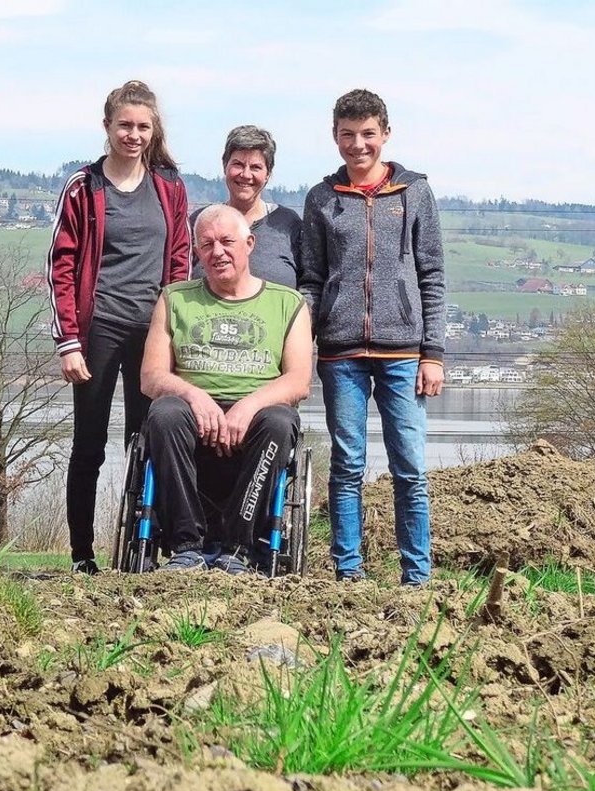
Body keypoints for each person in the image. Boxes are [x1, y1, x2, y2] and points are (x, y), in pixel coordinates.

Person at [298, 88, 446, 587]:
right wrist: (303, 340)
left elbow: (432, 276)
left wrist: (434, 354)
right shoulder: (321, 198)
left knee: (409, 467)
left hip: (405, 352)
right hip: (340, 353)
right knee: (348, 466)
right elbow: (311, 280)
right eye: (347, 135)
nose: (357, 144)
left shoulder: (416, 193)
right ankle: (348, 571)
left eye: (367, 134)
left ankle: (417, 575)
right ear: (334, 136)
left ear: (385, 134)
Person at [46, 80, 191, 575]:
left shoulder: (169, 186)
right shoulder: (84, 187)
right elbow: (61, 266)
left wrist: (173, 330)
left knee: (147, 439)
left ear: (154, 131)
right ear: (107, 127)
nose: (133, 135)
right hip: (99, 329)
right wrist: (68, 341)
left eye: (142, 127)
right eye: (124, 125)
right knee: (89, 444)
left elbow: (178, 261)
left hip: (151, 332)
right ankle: (82, 554)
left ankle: (144, 548)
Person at [140, 204, 312, 574]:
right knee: (164, 414)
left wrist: (248, 406)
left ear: (250, 243)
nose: (217, 252)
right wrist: (193, 395)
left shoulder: (289, 304)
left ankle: (238, 549)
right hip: (192, 409)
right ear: (197, 253)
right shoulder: (174, 299)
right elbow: (151, 376)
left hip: (258, 410)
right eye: (207, 244)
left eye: (227, 242)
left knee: (280, 422)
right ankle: (186, 547)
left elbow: (298, 381)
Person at [190, 125, 300, 290]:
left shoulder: (288, 224)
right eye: (238, 164)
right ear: (225, 166)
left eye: (256, 167)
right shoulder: (201, 222)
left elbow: (310, 282)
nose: (246, 175)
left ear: (268, 174)